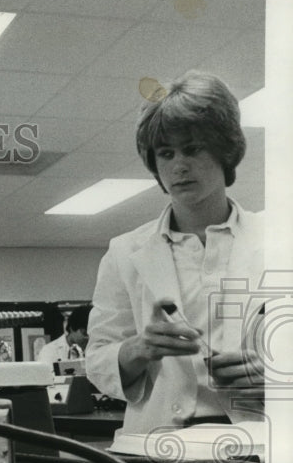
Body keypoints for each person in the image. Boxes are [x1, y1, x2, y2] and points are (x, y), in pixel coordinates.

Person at [85, 71, 265, 437]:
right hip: (159, 445)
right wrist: (138, 348)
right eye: (165, 153)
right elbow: (98, 359)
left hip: (263, 440)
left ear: (225, 150)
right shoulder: (125, 253)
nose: (178, 165)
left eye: (193, 148)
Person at [36, 303, 92, 370]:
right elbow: (45, 378)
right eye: (85, 333)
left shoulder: (96, 351)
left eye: (92, 335)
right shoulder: (49, 351)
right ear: (72, 328)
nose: (88, 338)